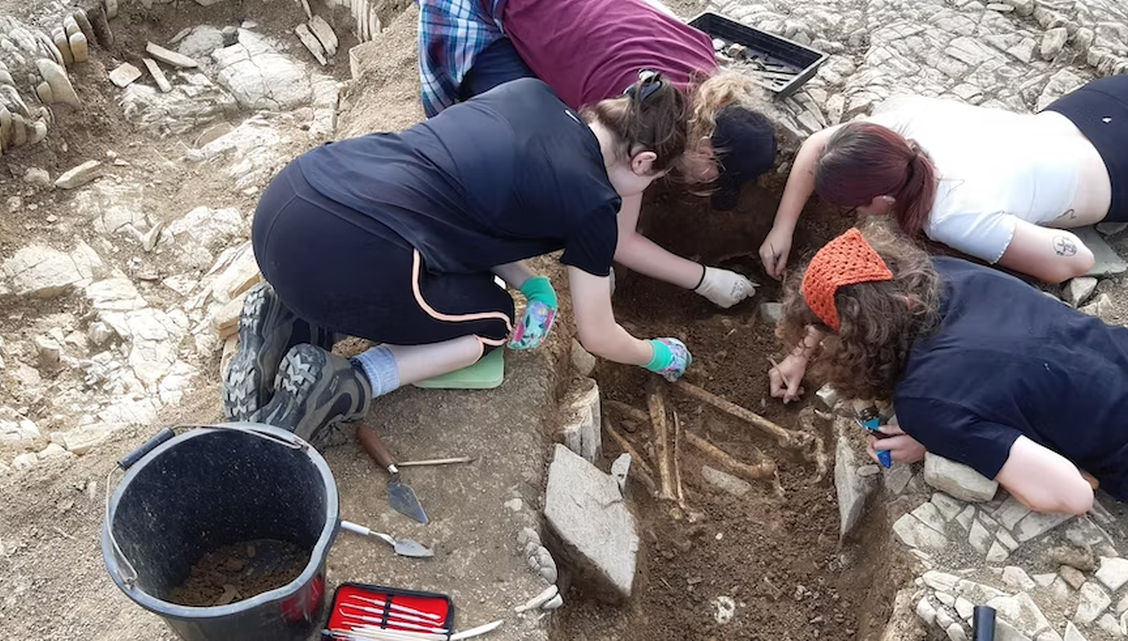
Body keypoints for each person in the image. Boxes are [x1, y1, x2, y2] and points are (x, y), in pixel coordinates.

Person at [221, 74, 694, 441]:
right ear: (644, 162)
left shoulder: (530, 94)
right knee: (491, 322)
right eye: (654, 180)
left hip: (291, 203)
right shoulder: (595, 204)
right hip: (350, 253)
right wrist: (656, 354)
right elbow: (598, 334)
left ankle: (295, 319)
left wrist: (533, 283)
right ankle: (346, 383)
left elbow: (471, 205)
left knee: (420, 265)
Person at [418, 0, 778, 309]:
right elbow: (620, 240)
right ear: (706, 148)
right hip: (483, 7)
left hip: (565, 14)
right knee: (532, 134)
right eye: (715, 175)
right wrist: (703, 279)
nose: (708, 183)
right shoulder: (638, 111)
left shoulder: (705, 72)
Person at [769, 223, 1127, 514]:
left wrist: (945, 439)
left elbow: (1074, 496)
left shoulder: (926, 403)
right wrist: (800, 351)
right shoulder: (947, 273)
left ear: (850, 344)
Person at [761, 76, 1128, 283]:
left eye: (856, 205)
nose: (855, 213)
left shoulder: (953, 215)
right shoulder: (902, 128)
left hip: (1117, 171)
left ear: (885, 202)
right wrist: (783, 226)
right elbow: (817, 144)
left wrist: (1010, 236)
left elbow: (1074, 260)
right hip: (1095, 106)